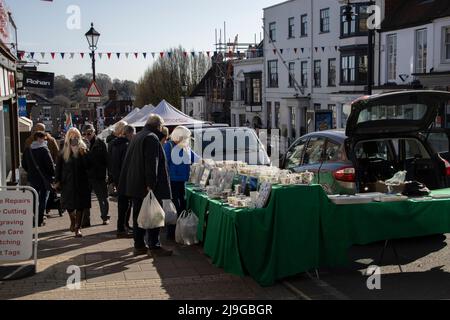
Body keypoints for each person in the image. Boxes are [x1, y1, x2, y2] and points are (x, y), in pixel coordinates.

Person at [118, 114, 172, 257]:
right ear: (158, 126)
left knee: (138, 217)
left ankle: (139, 245)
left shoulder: (138, 135)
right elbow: (151, 163)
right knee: (153, 215)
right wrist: (151, 185)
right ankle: (154, 245)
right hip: (146, 186)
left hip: (135, 184)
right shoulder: (151, 138)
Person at [164, 126, 200, 240]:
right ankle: (172, 232)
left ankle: (181, 231)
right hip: (173, 180)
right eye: (185, 137)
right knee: (174, 206)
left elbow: (197, 159)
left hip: (184, 181)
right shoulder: (169, 146)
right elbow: (164, 163)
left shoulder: (186, 147)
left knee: (183, 205)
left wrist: (209, 162)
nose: (187, 139)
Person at [54, 128, 91, 238]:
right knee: (69, 205)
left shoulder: (83, 149)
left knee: (80, 205)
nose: (74, 139)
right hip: (67, 182)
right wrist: (57, 181)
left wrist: (79, 152)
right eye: (72, 136)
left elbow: (88, 165)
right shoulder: (63, 151)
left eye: (76, 136)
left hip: (81, 182)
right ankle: (73, 220)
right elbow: (58, 168)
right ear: (68, 138)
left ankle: (77, 228)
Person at [22, 131, 56, 227]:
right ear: (41, 138)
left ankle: (35, 217)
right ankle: (40, 219)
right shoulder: (44, 150)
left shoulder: (28, 150)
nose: (45, 140)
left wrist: (31, 171)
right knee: (43, 198)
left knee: (34, 198)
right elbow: (50, 165)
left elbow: (24, 164)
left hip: (32, 178)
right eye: (44, 138)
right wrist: (52, 175)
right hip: (44, 178)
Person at [82, 124, 110, 225]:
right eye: (84, 134)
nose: (87, 136)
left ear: (94, 132)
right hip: (86, 176)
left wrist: (108, 175)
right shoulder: (82, 144)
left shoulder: (101, 143)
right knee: (85, 199)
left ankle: (105, 217)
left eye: (89, 133)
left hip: (99, 175)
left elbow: (107, 159)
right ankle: (86, 220)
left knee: (102, 198)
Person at [111, 125, 135, 238]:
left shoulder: (115, 144)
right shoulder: (126, 145)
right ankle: (121, 228)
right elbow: (127, 165)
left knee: (124, 204)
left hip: (118, 178)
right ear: (129, 134)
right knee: (124, 205)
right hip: (124, 179)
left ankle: (124, 226)